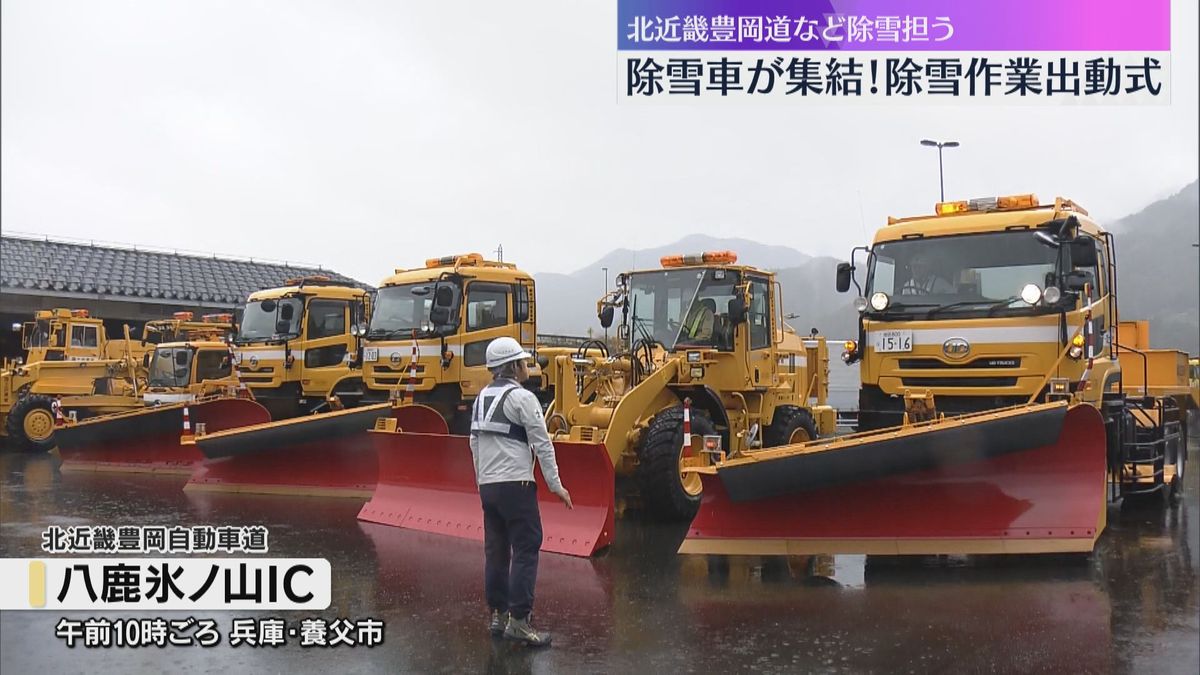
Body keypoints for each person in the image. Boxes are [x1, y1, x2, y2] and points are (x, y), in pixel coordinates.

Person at [469, 336, 573, 647]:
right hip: (517, 485)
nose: (528, 367)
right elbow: (543, 444)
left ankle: (498, 617)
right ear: (513, 366)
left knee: (496, 552)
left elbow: (473, 443)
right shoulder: (523, 399)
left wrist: (481, 481)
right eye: (524, 362)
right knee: (527, 549)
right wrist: (556, 485)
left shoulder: (481, 398)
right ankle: (520, 621)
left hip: (489, 487)